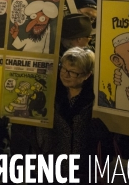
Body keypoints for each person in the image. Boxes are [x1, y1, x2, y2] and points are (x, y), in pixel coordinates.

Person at [11, 47, 100, 181]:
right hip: (47, 168)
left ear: (87, 75)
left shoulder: (94, 101)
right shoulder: (50, 93)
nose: (65, 74)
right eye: (63, 69)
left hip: (80, 172)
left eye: (73, 72)